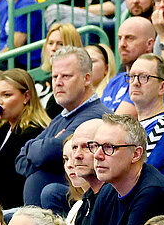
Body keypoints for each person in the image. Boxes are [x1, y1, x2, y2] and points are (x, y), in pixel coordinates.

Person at [15, 48, 105, 208]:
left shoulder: (96, 115)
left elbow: (50, 151)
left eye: (66, 76)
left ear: (86, 78)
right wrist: (39, 152)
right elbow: (20, 159)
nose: (58, 82)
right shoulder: (61, 117)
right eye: (55, 76)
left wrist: (40, 152)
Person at [80, 113, 164, 225]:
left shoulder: (154, 192)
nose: (97, 155)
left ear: (136, 154)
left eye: (109, 147)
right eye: (95, 146)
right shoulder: (107, 190)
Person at [0, 68, 46, 210]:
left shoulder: (34, 132)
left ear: (26, 97)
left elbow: (2, 177)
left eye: (6, 95)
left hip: (14, 208)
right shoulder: (2, 128)